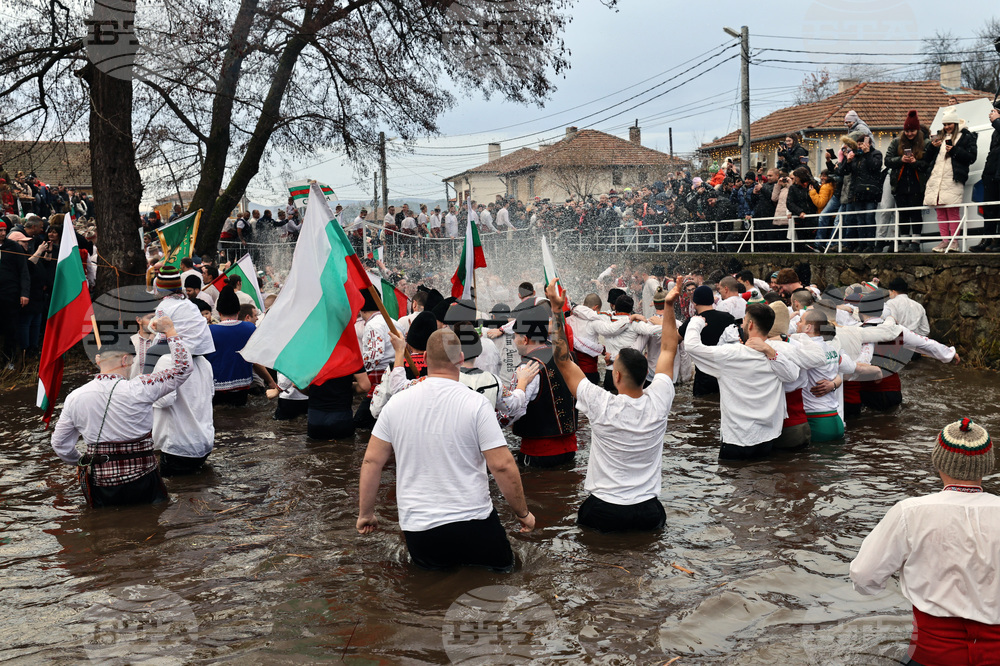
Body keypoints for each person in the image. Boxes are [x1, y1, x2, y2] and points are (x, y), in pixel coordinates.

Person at [356, 328, 535, 572]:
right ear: (461, 358)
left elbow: (371, 462)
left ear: (426, 359)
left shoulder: (396, 403)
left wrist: (366, 513)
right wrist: (522, 513)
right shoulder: (476, 403)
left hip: (419, 528)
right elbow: (502, 465)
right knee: (504, 578)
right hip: (474, 521)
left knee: (432, 594)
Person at [850, 418, 1000, 666]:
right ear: (987, 465)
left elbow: (864, 577)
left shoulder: (909, 512)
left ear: (938, 461)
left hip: (932, 655)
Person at [546, 278, 679, 532]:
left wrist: (556, 309)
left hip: (604, 509)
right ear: (645, 376)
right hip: (647, 510)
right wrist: (669, 306)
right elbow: (669, 348)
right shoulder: (660, 398)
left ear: (615, 376)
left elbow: (562, 360)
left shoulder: (601, 402)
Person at [50, 316, 192, 507]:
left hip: (102, 484)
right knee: (151, 527)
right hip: (143, 480)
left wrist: (82, 461)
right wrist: (171, 332)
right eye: (132, 361)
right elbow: (183, 368)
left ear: (98, 359)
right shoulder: (142, 386)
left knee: (104, 531)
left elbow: (60, 445)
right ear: (126, 359)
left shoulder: (74, 397)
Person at [683, 303, 800, 460]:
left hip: (737, 437)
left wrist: (696, 323)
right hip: (767, 436)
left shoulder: (731, 354)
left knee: (732, 479)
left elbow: (691, 346)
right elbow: (792, 375)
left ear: (750, 324)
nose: (742, 325)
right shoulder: (777, 353)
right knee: (763, 478)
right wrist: (769, 350)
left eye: (744, 321)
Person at [150, 266, 217, 476]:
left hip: (177, 447)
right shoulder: (205, 364)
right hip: (203, 444)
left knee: (176, 504)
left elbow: (161, 401)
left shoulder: (166, 362)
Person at [509, 302, 578, 467]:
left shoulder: (526, 368)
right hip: (570, 449)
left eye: (515, 336)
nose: (514, 341)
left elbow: (512, 411)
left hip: (538, 452)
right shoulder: (567, 357)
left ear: (525, 339)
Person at [206, 285, 276, 406]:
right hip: (242, 388)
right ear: (238, 312)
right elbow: (255, 361)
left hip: (215, 387)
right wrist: (270, 381)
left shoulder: (209, 331)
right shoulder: (249, 328)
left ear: (219, 312)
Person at [924, 108, 978, 252]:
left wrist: (954, 151)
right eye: (945, 124)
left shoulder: (966, 136)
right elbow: (927, 159)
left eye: (949, 124)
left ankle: (954, 242)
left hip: (953, 178)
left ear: (955, 122)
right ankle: (944, 241)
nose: (947, 127)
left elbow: (971, 157)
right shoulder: (940, 136)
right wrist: (931, 147)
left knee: (952, 211)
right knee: (940, 212)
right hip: (937, 179)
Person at [677, 286, 736, 397]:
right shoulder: (728, 318)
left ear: (694, 302)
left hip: (703, 377)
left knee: (702, 407)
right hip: (725, 375)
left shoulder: (693, 322)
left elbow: (674, 340)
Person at [885, 111, 931, 253]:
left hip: (917, 182)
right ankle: (904, 240)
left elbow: (928, 164)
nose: (910, 133)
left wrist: (915, 162)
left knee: (915, 213)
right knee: (903, 213)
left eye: (912, 131)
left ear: (917, 130)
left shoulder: (926, 143)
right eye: (907, 131)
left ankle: (915, 241)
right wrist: (901, 160)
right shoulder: (896, 142)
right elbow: (887, 161)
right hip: (900, 182)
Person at [0, 218, 30, 369]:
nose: (3, 233)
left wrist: (24, 293)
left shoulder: (13, 247)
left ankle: (9, 360)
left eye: (4, 230)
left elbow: (23, 271)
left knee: (10, 329)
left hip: (10, 295)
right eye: (0, 230)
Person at [308, 369, 370, 440]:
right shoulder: (351, 358)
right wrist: (348, 388)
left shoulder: (309, 359)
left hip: (315, 418)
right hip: (342, 418)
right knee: (344, 447)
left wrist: (313, 393)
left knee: (314, 447)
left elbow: (296, 385)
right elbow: (364, 387)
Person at [970, 104, 1000, 252]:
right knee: (989, 209)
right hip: (992, 173)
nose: (993, 114)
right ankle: (988, 239)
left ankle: (997, 241)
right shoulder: (995, 132)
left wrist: (997, 121)